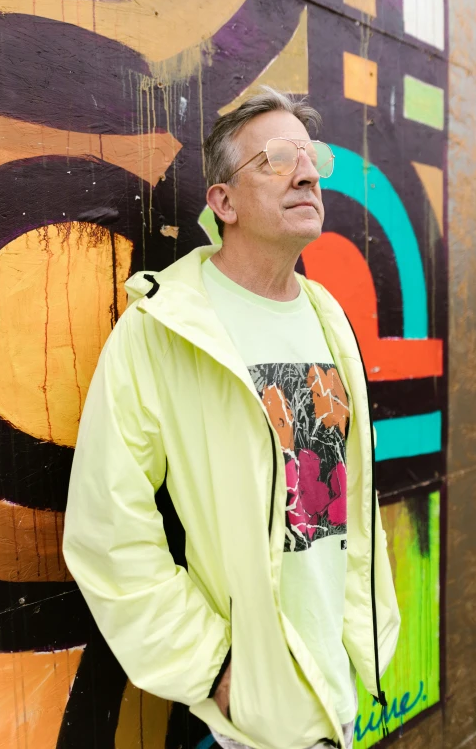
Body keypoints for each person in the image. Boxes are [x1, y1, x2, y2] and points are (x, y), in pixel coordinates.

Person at [63, 87, 400, 749]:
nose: (306, 173)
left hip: (342, 704)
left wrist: (363, 645)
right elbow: (108, 530)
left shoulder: (330, 320)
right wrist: (215, 669)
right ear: (223, 202)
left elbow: (350, 507)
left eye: (309, 159)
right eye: (276, 160)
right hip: (250, 723)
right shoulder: (163, 330)